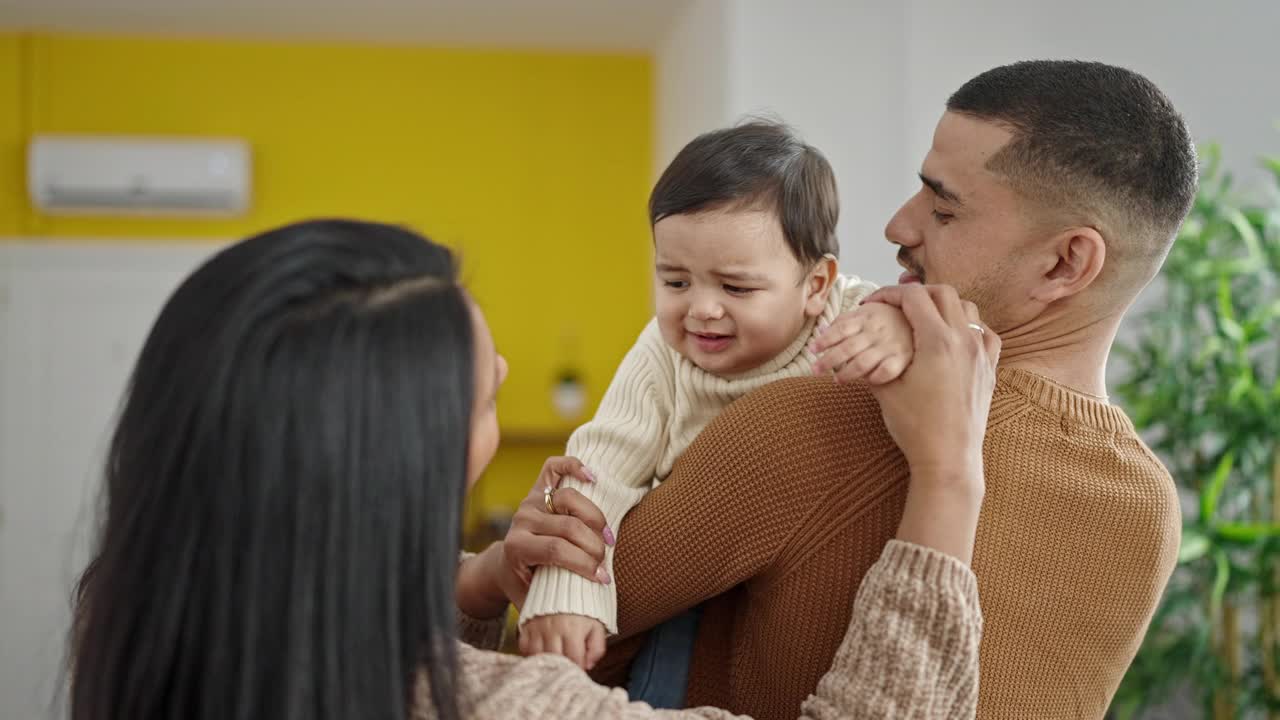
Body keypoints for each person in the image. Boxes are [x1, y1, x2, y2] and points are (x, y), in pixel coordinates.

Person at [67, 218, 999, 720]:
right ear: (397, 471)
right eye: (480, 397)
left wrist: (475, 589)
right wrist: (948, 474)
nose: (507, 377)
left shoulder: (145, 630)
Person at [563, 60, 1195, 719]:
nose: (898, 225)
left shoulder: (812, 419)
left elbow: (566, 652)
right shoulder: (1150, 510)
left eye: (943, 209)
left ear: (1066, 262)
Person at [516, 121, 916, 688]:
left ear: (816, 286)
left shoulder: (855, 316)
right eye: (676, 282)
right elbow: (597, 466)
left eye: (735, 288)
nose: (701, 309)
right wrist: (566, 594)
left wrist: (901, 326)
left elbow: (954, 331)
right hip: (687, 594)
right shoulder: (661, 354)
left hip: (805, 585)